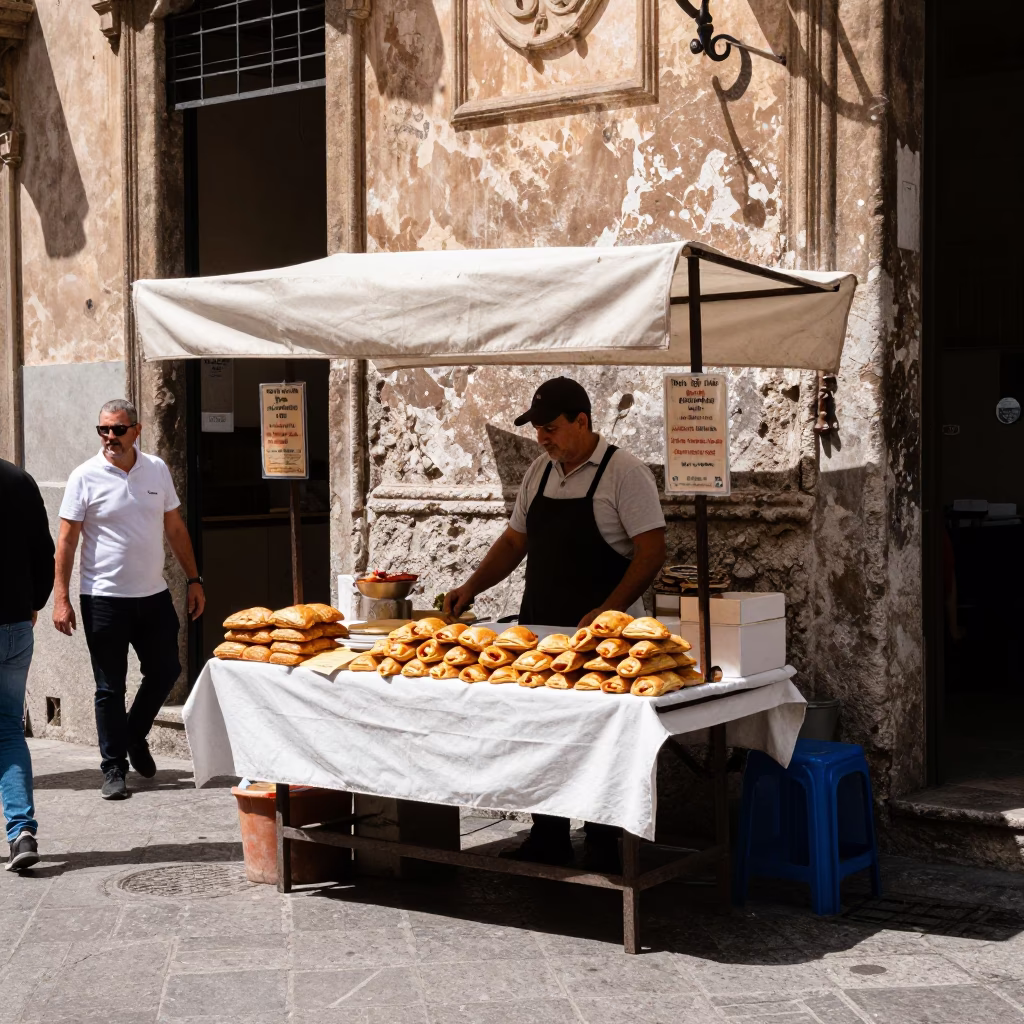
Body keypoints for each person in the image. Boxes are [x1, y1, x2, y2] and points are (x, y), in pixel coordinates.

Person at [444, 376, 666, 868]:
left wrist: (610, 610)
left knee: (603, 741)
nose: (542, 438)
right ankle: (548, 833)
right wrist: (470, 587)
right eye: (538, 429)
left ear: (582, 422)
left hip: (607, 640)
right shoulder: (540, 473)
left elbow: (652, 553)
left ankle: (606, 841)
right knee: (544, 735)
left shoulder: (624, 473)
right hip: (543, 631)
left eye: (550, 427)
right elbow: (513, 542)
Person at [53, 400, 205, 800]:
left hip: (152, 595)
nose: (110, 438)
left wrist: (194, 579)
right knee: (109, 687)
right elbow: (67, 540)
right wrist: (61, 598)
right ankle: (113, 767)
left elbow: (174, 527)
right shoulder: (84, 476)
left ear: (136, 430)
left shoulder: (156, 469)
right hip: (103, 598)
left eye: (118, 430)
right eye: (103, 430)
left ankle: (134, 734)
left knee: (167, 669)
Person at [0, 458, 55, 871]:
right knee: (8, 730)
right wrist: (33, 603)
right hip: (15, 625)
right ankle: (22, 832)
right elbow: (44, 550)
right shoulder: (19, 479)